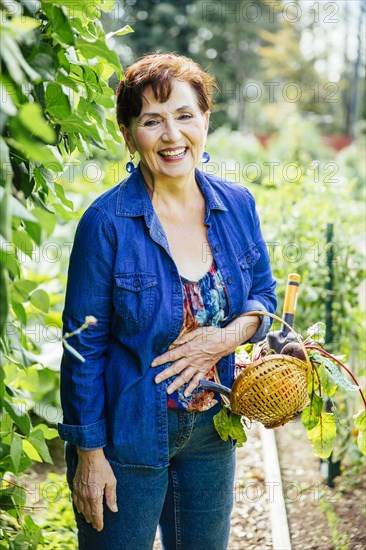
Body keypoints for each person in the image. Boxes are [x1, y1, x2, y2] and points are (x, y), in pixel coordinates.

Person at [58, 52, 277, 550]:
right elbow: (82, 346)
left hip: (212, 433)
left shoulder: (237, 204)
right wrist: (90, 453)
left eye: (184, 116)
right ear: (128, 133)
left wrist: (222, 339)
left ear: (205, 121)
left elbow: (263, 296)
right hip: (127, 434)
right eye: (152, 121)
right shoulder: (107, 222)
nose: (172, 135)